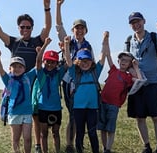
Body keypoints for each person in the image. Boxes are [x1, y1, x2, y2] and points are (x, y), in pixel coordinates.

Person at [0, 1, 51, 152]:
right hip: (16, 84)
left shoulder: (37, 41)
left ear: (31, 28)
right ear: (19, 28)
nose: (25, 29)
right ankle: (31, 146)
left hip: (33, 81)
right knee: (24, 118)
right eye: (22, 27)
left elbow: (47, 28)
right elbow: (0, 33)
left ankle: (36, 145)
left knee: (34, 115)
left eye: (28, 27)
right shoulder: (14, 42)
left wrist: (47, 8)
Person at [126, 12, 157, 153]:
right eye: (133, 23)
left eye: (138, 21)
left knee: (156, 116)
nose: (136, 25)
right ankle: (146, 146)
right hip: (137, 84)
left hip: (153, 82)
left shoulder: (153, 37)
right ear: (130, 25)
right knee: (140, 118)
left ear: (144, 21)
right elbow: (126, 62)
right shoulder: (129, 40)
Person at [0, 37, 50, 153]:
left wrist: (42, 50)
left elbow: (38, 64)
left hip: (27, 112)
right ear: (10, 69)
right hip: (14, 112)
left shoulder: (28, 77)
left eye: (20, 66)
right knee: (15, 138)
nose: (17, 69)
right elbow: (0, 70)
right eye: (14, 66)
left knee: (28, 138)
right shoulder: (8, 79)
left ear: (24, 69)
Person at [56, 0, 95, 152]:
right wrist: (58, 6)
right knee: (73, 113)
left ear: (85, 30)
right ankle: (70, 144)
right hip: (68, 81)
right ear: (72, 30)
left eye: (81, 28)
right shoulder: (68, 42)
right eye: (76, 28)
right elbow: (58, 27)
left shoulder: (88, 46)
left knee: (81, 113)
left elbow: (91, 65)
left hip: (83, 84)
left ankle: (78, 142)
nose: (78, 31)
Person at [97, 31, 142, 153]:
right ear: (119, 61)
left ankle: (109, 149)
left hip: (114, 106)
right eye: (122, 59)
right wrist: (106, 39)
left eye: (127, 61)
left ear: (129, 64)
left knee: (110, 128)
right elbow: (107, 55)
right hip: (103, 102)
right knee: (102, 128)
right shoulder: (113, 70)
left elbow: (140, 81)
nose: (124, 62)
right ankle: (104, 147)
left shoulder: (128, 77)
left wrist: (136, 67)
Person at [63, 33, 107, 153]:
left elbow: (103, 56)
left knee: (93, 132)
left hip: (93, 108)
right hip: (78, 108)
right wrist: (66, 45)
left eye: (87, 60)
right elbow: (68, 59)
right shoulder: (74, 73)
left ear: (92, 61)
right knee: (80, 132)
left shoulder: (95, 72)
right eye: (82, 60)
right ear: (77, 61)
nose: (85, 62)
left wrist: (105, 40)